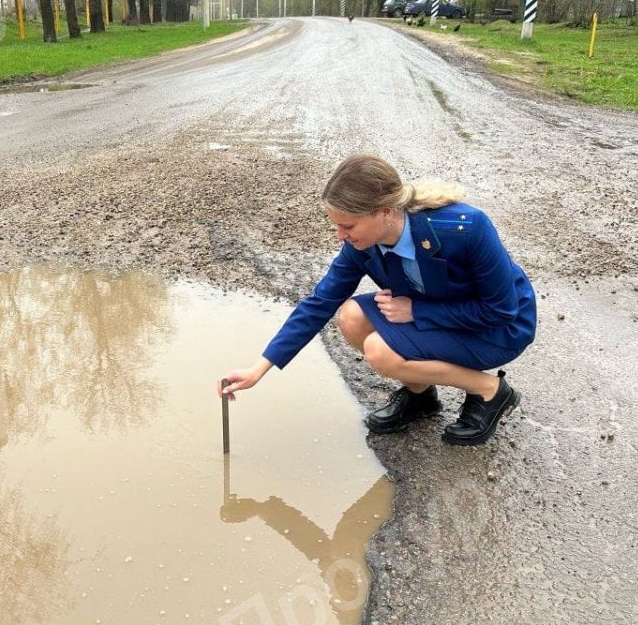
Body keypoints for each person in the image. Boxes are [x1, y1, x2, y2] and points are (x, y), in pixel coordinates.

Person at [219, 154, 536, 446]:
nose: (340, 236)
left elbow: (500, 310)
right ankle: (419, 395)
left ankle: (490, 391)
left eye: (348, 226)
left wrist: (417, 311)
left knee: (379, 351)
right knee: (351, 317)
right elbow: (319, 303)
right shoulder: (362, 244)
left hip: (498, 328)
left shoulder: (466, 228)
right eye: (336, 225)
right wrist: (258, 369)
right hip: (437, 311)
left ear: (385, 212)